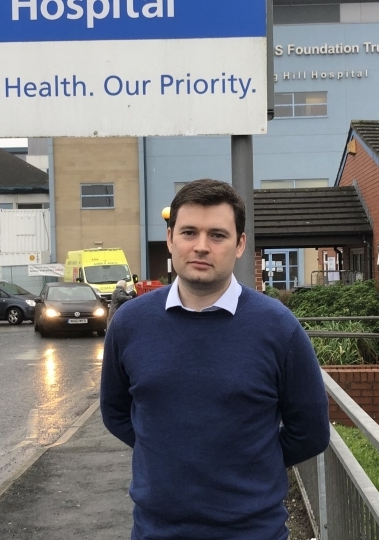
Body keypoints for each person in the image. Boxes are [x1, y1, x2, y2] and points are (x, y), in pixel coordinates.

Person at [101, 179, 330, 540]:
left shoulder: (279, 328)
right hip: (155, 531)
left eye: (218, 235)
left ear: (239, 244)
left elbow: (311, 432)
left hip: (254, 532)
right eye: (189, 232)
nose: (202, 247)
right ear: (171, 239)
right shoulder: (130, 323)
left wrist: (248, 466)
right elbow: (115, 412)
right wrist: (167, 452)